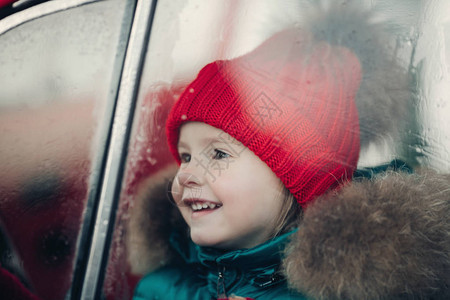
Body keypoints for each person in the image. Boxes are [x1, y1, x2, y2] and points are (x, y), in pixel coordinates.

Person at [129, 6, 450, 300]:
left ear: (294, 178)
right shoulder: (160, 288)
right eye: (185, 156)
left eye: (219, 155)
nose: (185, 174)